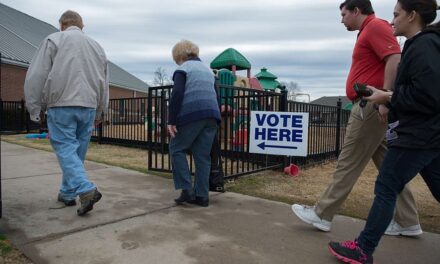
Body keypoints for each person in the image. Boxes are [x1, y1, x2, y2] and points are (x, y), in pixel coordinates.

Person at [291, 0, 422, 236]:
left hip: (369, 106)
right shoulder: (369, 30)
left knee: (347, 162)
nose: (341, 20)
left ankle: (322, 214)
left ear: (356, 11)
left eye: (343, 14)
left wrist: (385, 97)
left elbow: (394, 58)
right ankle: (408, 221)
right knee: (390, 170)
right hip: (373, 106)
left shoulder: (375, 27)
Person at [329, 1, 440, 262]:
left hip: (417, 134)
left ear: (412, 16)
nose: (392, 21)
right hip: (429, 134)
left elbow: (427, 95)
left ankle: (362, 248)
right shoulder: (426, 45)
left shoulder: (423, 45)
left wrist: (387, 97)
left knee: (386, 186)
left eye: (396, 14)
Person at [24, 10, 109, 216]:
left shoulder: (54, 39)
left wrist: (34, 108)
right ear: (82, 26)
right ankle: (67, 192)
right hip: (89, 105)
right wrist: (101, 111)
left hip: (61, 103)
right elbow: (104, 82)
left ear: (61, 25)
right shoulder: (97, 47)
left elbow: (37, 75)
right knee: (76, 152)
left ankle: (85, 189)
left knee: (65, 148)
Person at [168, 40, 221, 207]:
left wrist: (171, 120)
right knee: (202, 156)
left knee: (176, 148)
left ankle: (186, 189)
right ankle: (202, 196)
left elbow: (176, 94)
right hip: (212, 116)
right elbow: (216, 95)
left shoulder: (183, 69)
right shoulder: (209, 71)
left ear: (179, 55)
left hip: (192, 114)